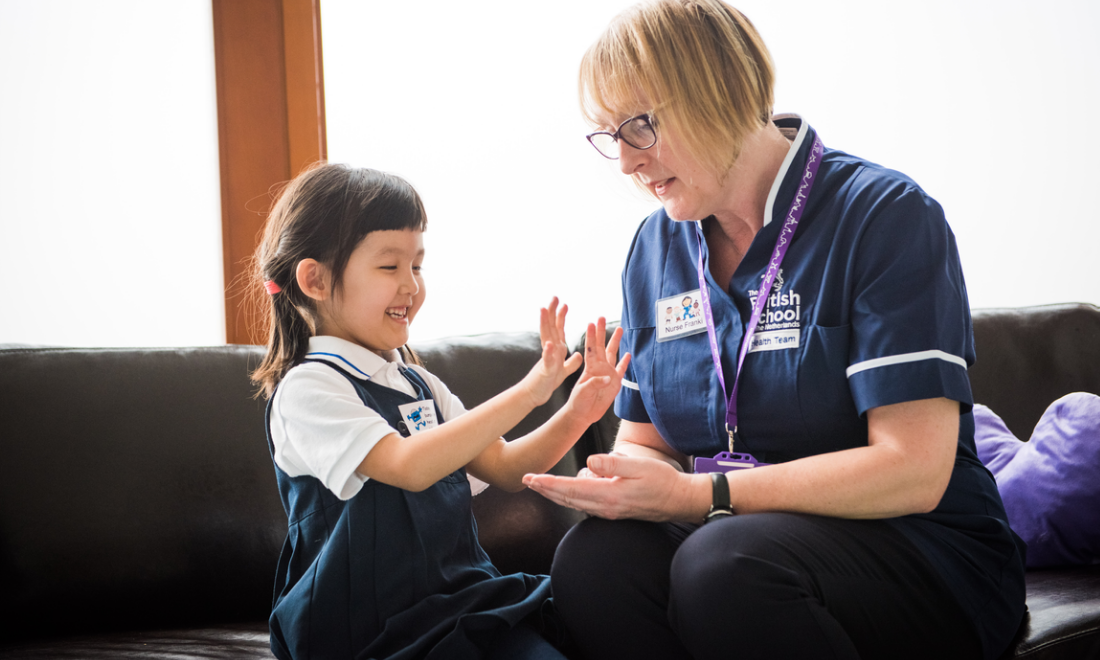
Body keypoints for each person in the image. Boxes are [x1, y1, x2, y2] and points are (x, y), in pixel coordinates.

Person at [521, 1, 1027, 659]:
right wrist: (625, 483)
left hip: (922, 551)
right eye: (609, 135)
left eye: (639, 126)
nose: (625, 162)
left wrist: (701, 494)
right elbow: (648, 441)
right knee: (594, 562)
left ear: (722, 92)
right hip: (739, 540)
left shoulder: (884, 216)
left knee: (723, 563)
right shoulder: (654, 248)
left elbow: (914, 470)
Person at [250, 163, 629, 660]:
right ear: (314, 279)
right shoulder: (308, 388)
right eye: (389, 267)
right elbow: (408, 465)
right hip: (365, 630)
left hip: (459, 602)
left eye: (418, 265)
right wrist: (531, 390)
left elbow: (507, 467)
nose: (411, 286)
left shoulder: (417, 382)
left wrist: (578, 413)